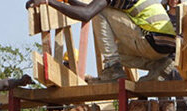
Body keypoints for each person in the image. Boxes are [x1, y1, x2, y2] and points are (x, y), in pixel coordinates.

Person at [26, 0, 177, 81]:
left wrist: (50, 2)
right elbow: (91, 7)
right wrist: (70, 1)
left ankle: (112, 67)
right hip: (163, 48)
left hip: (150, 41)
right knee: (102, 16)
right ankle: (159, 64)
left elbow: (87, 14)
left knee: (99, 13)